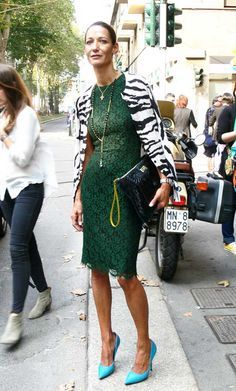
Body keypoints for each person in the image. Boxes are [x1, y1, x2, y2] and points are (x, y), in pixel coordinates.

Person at [71, 21, 178, 385]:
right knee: (97, 269)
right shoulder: (84, 98)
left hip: (125, 191)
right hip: (97, 189)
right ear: (85, 49)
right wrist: (78, 195)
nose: (95, 46)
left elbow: (154, 136)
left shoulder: (134, 87)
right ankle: (107, 341)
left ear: (115, 48)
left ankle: (145, 346)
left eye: (102, 40)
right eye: (90, 41)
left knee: (126, 273)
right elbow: (84, 150)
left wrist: (167, 178)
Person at [0, 64, 57, 346]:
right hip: (6, 190)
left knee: (17, 248)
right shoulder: (3, 115)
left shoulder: (27, 116)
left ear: (9, 87)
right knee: (26, 243)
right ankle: (44, 293)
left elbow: (22, 157)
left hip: (28, 188)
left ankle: (14, 317)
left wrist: (3, 136)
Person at [216, 83, 236, 254]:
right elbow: (220, 137)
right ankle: (229, 238)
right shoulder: (229, 111)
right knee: (231, 202)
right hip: (232, 164)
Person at [203, 95, 222, 171]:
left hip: (209, 134)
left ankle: (211, 170)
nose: (222, 103)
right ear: (215, 101)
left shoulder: (212, 109)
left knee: (211, 154)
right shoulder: (212, 109)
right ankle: (211, 170)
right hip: (211, 134)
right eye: (220, 101)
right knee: (211, 154)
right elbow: (211, 123)